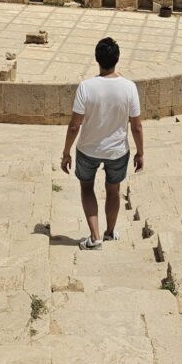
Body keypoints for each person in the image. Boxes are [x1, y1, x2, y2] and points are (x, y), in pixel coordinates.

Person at [61, 37, 144, 250]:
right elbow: (136, 126)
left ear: (97, 59)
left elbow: (74, 125)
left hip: (88, 149)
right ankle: (109, 232)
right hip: (117, 151)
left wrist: (66, 153)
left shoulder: (86, 87)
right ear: (117, 59)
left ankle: (95, 236)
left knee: (87, 188)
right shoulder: (129, 88)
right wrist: (140, 153)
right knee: (113, 190)